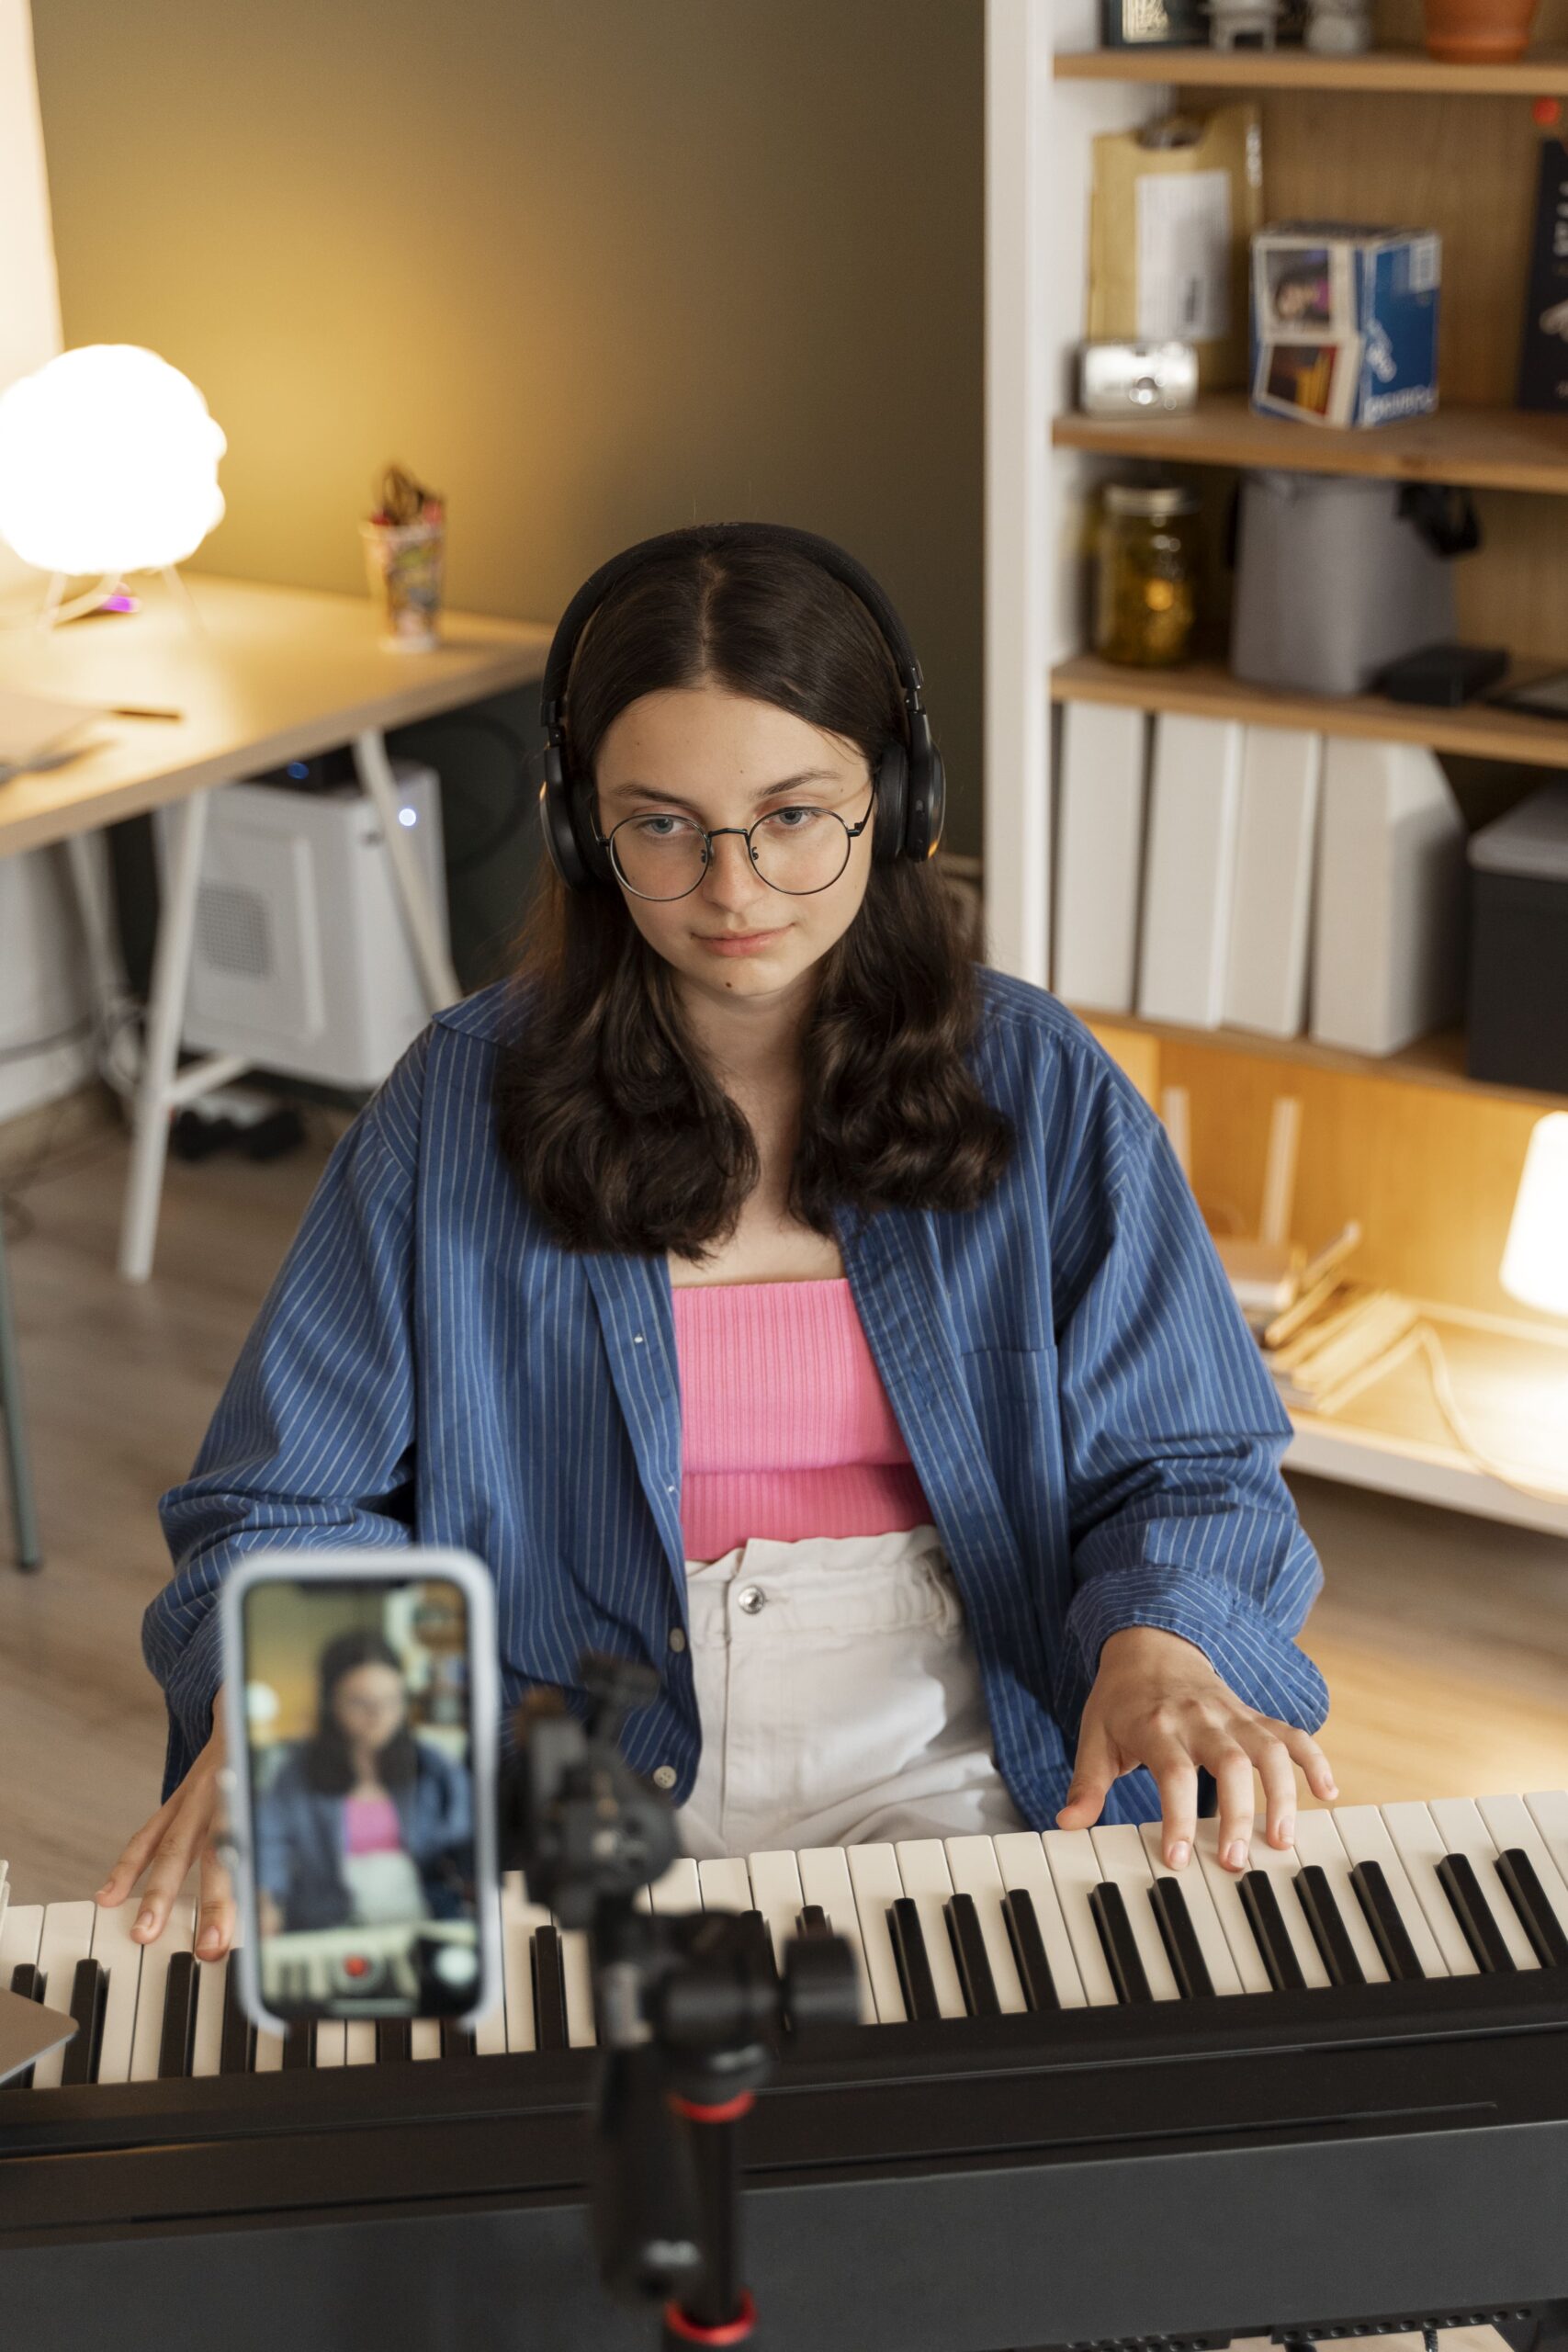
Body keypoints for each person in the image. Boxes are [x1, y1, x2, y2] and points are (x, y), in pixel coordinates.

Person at [97, 520, 1335, 1964]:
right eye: (662, 825)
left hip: (938, 1724)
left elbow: (1186, 1461)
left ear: (897, 801)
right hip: (548, 1724)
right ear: (582, 828)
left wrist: (1162, 1638)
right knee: (444, 2099)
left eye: (795, 815)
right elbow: (281, 1500)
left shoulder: (1039, 1082)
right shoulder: (458, 1099)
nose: (732, 890)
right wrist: (292, 1714)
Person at [253, 1630, 474, 1936]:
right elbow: (269, 1842)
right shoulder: (297, 1772)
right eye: (360, 1703)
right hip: (327, 1925)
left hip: (423, 1919)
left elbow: (465, 1837)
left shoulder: (432, 1766)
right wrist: (266, 1902)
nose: (378, 1715)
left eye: (390, 1701)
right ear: (331, 1702)